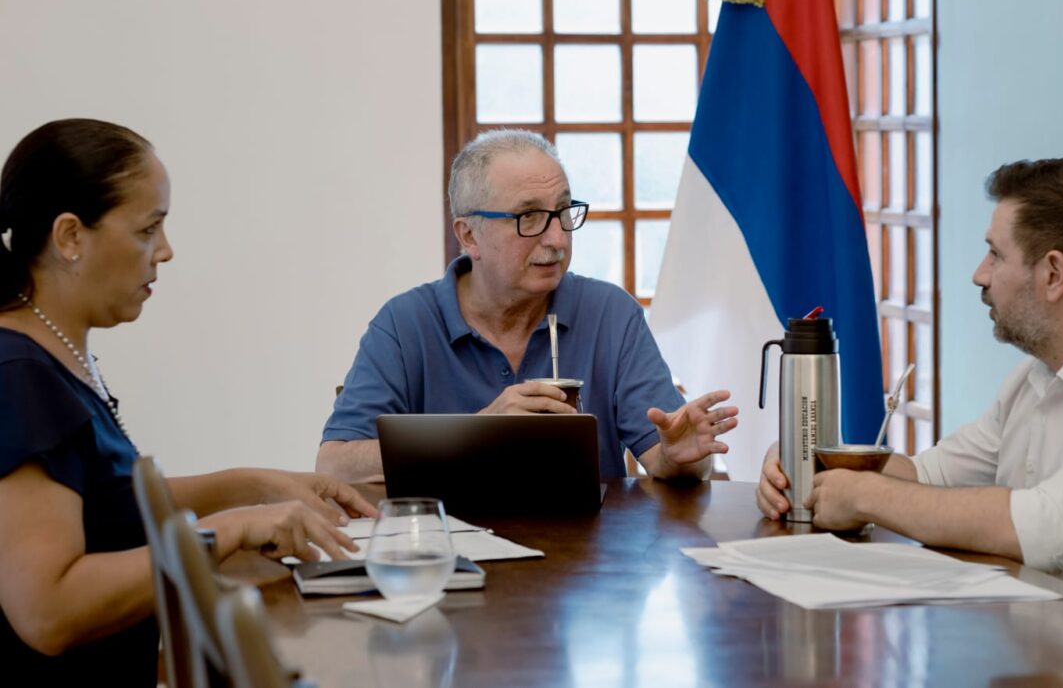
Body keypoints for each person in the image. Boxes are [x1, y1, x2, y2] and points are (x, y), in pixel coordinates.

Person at [756, 156, 1063, 620]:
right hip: (1032, 652)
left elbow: (1052, 530)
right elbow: (929, 477)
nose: (979, 275)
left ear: (1053, 274)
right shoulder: (1039, 375)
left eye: (995, 254)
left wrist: (862, 496)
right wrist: (806, 467)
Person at [0, 119, 377, 683]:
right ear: (71, 237)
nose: (167, 251)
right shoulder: (19, 375)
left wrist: (251, 486)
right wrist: (229, 530)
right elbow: (46, 611)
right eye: (150, 229)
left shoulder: (51, 356)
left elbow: (105, 503)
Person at [317, 129, 737, 483]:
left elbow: (663, 455)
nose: (557, 239)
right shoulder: (405, 323)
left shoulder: (611, 314)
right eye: (529, 218)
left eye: (562, 213)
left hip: (589, 564)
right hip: (453, 560)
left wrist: (681, 457)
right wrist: (477, 433)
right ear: (468, 236)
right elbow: (334, 467)